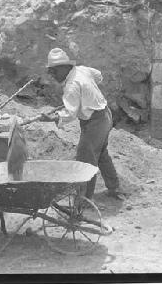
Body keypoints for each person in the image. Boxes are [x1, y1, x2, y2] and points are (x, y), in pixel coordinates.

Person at [41, 48, 125, 200]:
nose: (52, 75)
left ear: (65, 67)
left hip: (95, 122)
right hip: (105, 115)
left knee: (85, 159)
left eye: (54, 71)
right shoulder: (82, 70)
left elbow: (70, 113)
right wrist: (88, 92)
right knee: (101, 155)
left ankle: (84, 198)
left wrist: (52, 118)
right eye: (50, 72)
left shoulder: (72, 86)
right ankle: (114, 188)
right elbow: (98, 76)